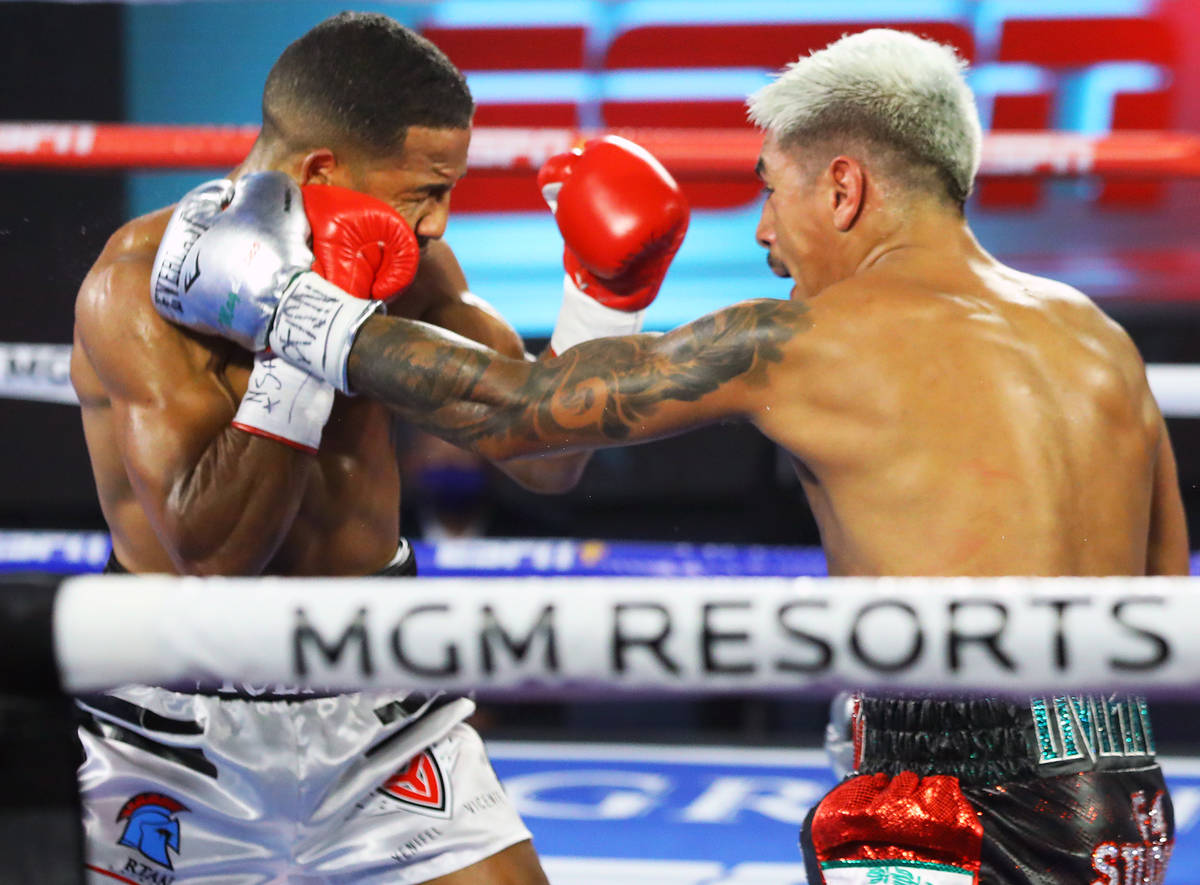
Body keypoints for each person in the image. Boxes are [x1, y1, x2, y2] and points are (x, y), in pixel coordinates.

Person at [165, 27, 1190, 885]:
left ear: (843, 189)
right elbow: (1160, 585)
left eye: (772, 191)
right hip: (1124, 787)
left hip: (940, 795)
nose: (760, 231)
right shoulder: (1092, 333)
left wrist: (293, 312)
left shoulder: (802, 340)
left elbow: (526, 419)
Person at [70, 11, 687, 884]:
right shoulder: (139, 287)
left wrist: (604, 299)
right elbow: (213, 555)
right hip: (169, 732)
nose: (437, 225)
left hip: (381, 708)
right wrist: (304, 333)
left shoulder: (415, 271)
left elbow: (543, 453)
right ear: (324, 170)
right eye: (422, 191)